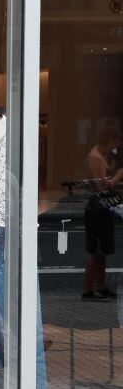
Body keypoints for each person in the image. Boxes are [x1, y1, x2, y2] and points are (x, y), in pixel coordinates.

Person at [83, 119, 123, 300]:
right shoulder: (96, 157)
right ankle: (88, 289)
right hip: (97, 209)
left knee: (102, 251)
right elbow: (101, 187)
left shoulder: (100, 156)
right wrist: (117, 176)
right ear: (111, 140)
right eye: (116, 143)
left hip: (101, 208)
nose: (116, 147)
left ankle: (101, 285)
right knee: (95, 250)